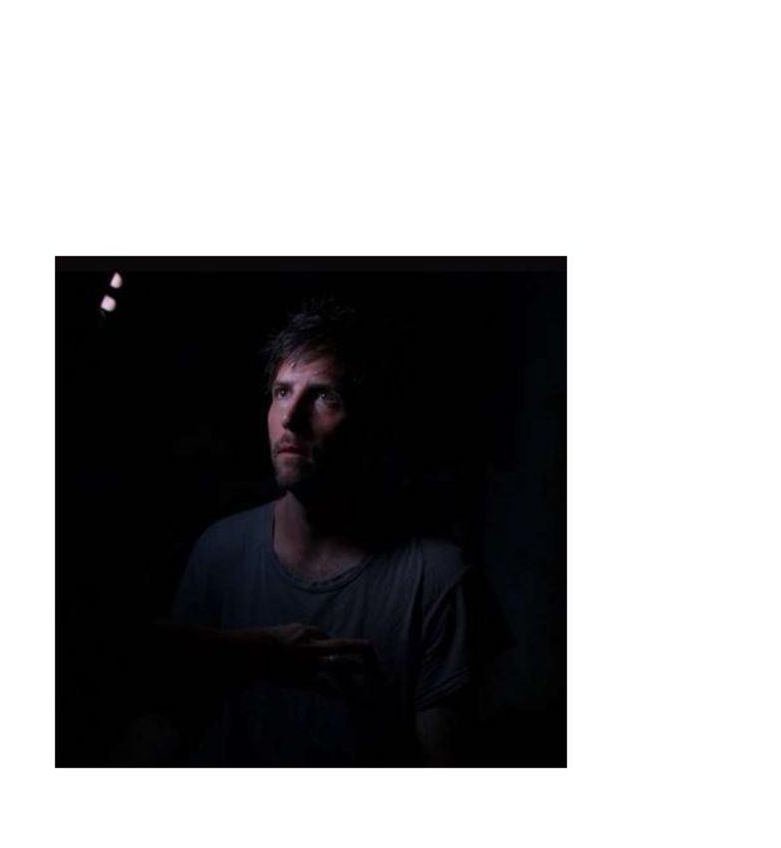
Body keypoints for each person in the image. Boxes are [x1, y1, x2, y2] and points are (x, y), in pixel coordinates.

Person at [128, 298, 502, 766]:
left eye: (325, 396)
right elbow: (167, 721)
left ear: (369, 423)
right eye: (282, 392)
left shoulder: (438, 580)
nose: (290, 417)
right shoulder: (218, 551)